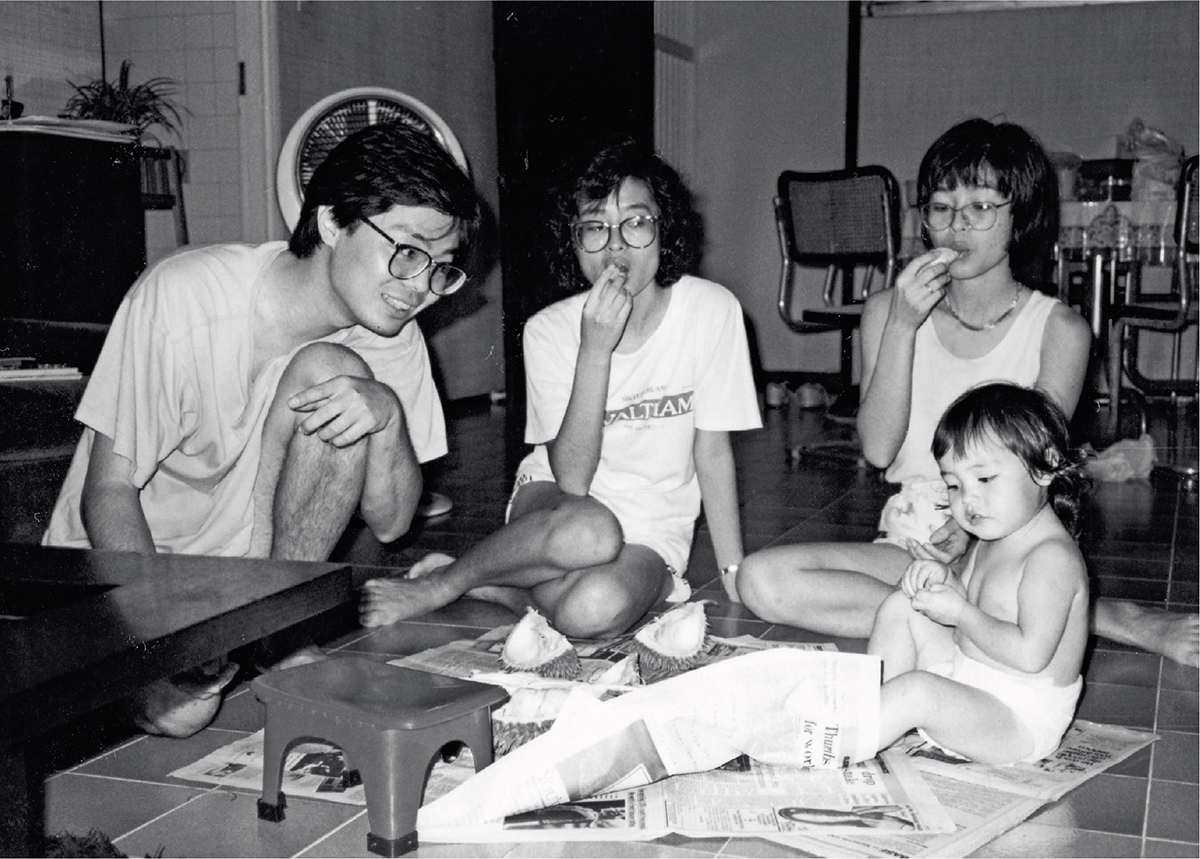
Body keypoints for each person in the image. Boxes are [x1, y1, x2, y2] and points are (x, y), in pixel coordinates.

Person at [42, 121, 484, 735]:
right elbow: (108, 492)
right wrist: (159, 635)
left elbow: (393, 521)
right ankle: (206, 648)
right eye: (407, 253)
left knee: (339, 372)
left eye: (441, 267)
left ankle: (273, 633)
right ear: (332, 223)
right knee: (184, 714)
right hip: (125, 570)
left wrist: (385, 417)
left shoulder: (394, 337)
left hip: (242, 579)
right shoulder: (185, 296)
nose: (422, 289)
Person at [735, 117, 1198, 669]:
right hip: (914, 534)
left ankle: (1084, 614)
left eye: (980, 207)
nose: (956, 225)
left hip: (1010, 540)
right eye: (940, 207)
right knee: (760, 581)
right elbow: (880, 450)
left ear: (1020, 216)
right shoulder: (887, 309)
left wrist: (966, 526)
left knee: (984, 584)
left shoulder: (1060, 331)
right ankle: (1046, 619)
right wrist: (904, 326)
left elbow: (1031, 469)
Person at [359, 137, 762, 638]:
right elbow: (571, 479)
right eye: (594, 227)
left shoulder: (712, 310)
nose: (615, 246)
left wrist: (734, 573)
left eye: (636, 223)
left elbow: (713, 452)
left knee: (590, 610)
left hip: (654, 525)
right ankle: (447, 582)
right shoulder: (549, 330)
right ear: (573, 242)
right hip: (557, 505)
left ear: (664, 230)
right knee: (590, 532)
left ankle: (503, 583)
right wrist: (595, 350)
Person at [868, 383, 1089, 765]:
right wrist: (945, 580)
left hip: (1016, 721)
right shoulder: (994, 534)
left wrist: (958, 613)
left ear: (1046, 465)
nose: (967, 500)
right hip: (970, 677)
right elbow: (974, 602)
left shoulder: (1052, 559)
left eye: (984, 479)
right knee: (901, 606)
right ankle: (870, 709)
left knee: (918, 691)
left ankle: (837, 741)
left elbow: (1029, 655)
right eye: (954, 485)